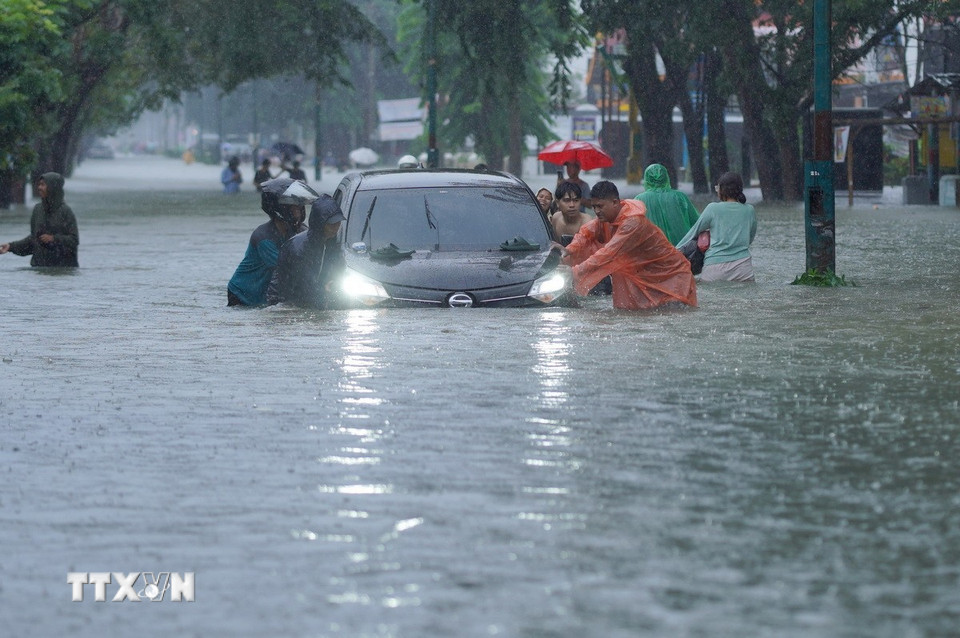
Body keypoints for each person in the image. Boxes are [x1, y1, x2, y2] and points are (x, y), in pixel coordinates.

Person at [556, 180, 697, 310]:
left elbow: (609, 253)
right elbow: (586, 233)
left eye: (600, 206)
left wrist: (575, 271)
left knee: (670, 318)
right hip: (643, 277)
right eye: (593, 207)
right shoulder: (605, 218)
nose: (597, 211)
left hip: (670, 277)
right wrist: (568, 249)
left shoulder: (632, 223)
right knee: (638, 316)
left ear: (615, 202)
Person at [227, 177, 319, 306]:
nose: (299, 209)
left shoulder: (301, 231)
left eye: (300, 206)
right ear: (280, 208)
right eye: (294, 206)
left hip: (265, 293)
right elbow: (287, 268)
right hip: (242, 294)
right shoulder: (264, 237)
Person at [675, 171, 757, 282]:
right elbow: (749, 239)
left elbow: (693, 233)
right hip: (743, 269)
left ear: (722, 190)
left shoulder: (712, 208)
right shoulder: (749, 210)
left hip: (715, 270)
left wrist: (674, 251)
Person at [267, 195, 346, 309]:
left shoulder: (332, 241)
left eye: (338, 222)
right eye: (332, 224)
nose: (336, 227)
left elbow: (339, 265)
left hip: (313, 296)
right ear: (320, 223)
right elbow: (306, 286)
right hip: (285, 302)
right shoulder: (299, 249)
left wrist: (335, 281)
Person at [0, 172, 79, 267]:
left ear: (53, 188)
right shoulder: (38, 210)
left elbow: (74, 241)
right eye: (39, 184)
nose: (39, 188)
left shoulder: (66, 211)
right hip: (39, 269)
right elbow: (34, 240)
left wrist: (54, 239)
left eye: (43, 185)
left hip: (63, 269)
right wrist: (11, 247)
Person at [635, 163, 700, 245]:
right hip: (681, 249)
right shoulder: (679, 197)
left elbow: (633, 227)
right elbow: (696, 222)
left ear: (646, 179)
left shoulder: (639, 200)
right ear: (666, 177)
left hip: (651, 250)